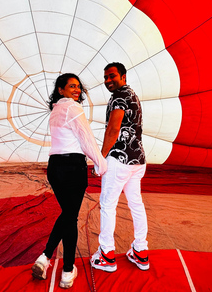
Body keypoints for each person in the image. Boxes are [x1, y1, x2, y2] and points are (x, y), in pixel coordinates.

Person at [31, 73, 107, 288]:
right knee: (70, 217)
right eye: (72, 86)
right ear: (60, 90)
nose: (77, 90)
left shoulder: (54, 111)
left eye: (78, 87)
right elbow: (86, 138)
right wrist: (101, 164)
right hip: (73, 168)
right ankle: (67, 271)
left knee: (67, 215)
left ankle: (45, 258)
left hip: (55, 168)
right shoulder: (73, 108)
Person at [90, 62, 149, 272]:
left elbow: (114, 129)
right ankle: (140, 251)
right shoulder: (131, 94)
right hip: (138, 160)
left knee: (107, 205)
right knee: (136, 204)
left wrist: (100, 158)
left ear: (123, 76)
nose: (108, 81)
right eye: (105, 77)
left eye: (112, 76)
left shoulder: (119, 97)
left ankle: (106, 254)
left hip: (119, 160)